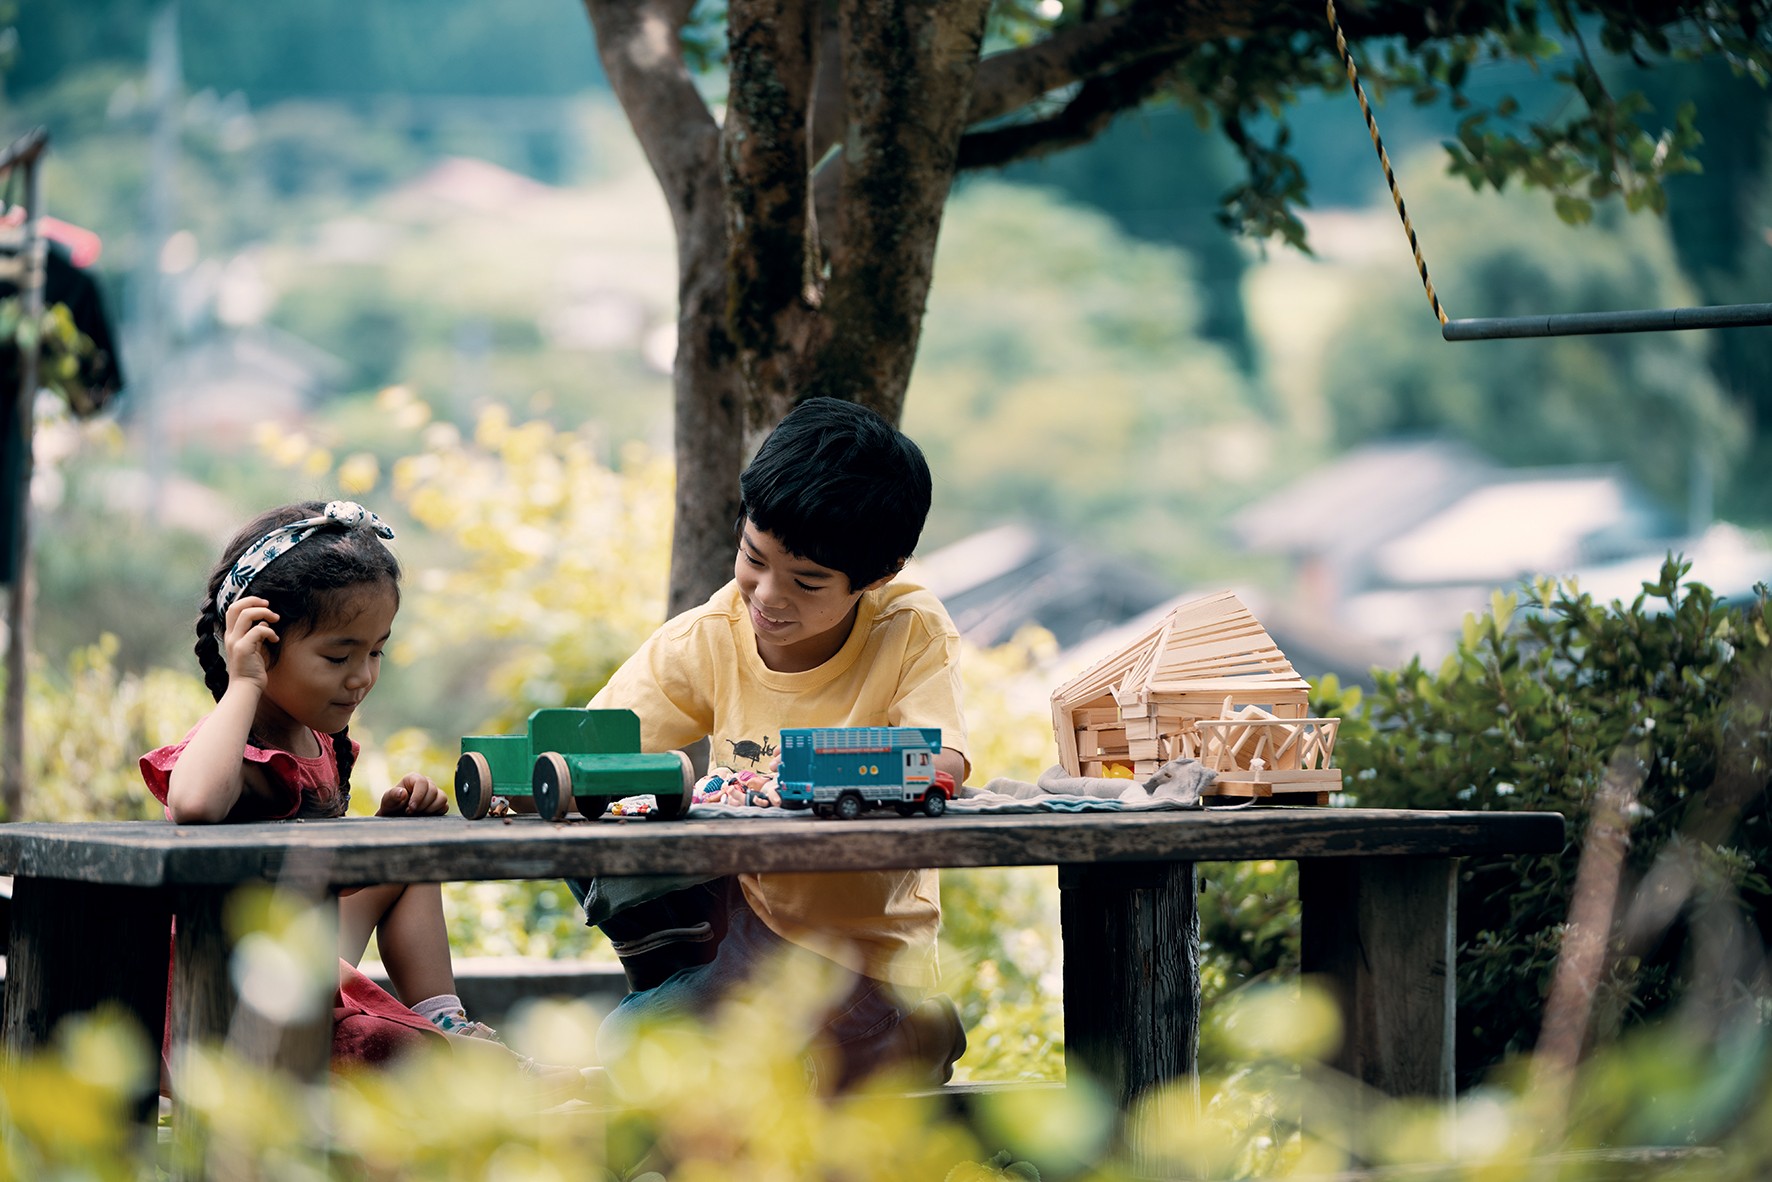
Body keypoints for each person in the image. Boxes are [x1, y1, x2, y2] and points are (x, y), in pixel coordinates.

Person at [581, 397, 970, 1092]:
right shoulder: (713, 634)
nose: (768, 595)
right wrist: (487, 781)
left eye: (808, 582)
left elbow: (941, 763)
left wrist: (818, 772)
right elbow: (589, 746)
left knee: (696, 1069)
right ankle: (845, 1043)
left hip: (871, 953)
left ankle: (902, 1026)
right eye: (753, 559)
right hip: (756, 933)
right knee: (632, 1043)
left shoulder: (907, 626)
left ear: (877, 575)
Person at [140, 500, 581, 1093]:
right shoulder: (235, 745)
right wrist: (243, 683)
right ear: (263, 645)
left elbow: (319, 865)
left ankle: (441, 1021)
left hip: (308, 960)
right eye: (338, 656)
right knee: (380, 1046)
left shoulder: (319, 740)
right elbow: (193, 805)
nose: (362, 677)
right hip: (233, 997)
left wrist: (381, 830)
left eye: (375, 652)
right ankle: (455, 1061)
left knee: (408, 850)